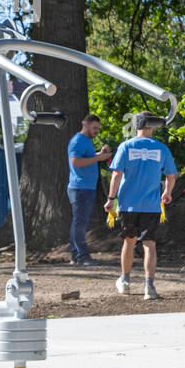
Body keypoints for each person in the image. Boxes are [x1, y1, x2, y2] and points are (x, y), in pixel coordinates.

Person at [104, 111, 176, 301]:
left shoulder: (126, 146)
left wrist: (111, 198)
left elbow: (116, 174)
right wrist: (167, 193)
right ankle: (149, 287)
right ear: (152, 126)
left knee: (128, 241)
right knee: (149, 244)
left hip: (128, 205)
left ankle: (125, 281)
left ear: (136, 125)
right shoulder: (161, 149)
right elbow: (171, 175)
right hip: (152, 206)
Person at [67, 114, 111, 266]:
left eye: (98, 128)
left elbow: (87, 158)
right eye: (94, 128)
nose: (97, 131)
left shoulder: (85, 142)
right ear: (85, 125)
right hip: (80, 188)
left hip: (85, 188)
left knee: (78, 222)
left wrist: (101, 155)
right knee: (80, 222)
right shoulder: (78, 141)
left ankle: (75, 254)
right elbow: (75, 162)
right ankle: (82, 256)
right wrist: (97, 158)